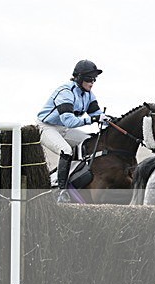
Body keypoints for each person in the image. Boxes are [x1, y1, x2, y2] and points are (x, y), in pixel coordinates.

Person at [37, 59, 105, 202]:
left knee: (89, 142)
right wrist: (92, 120)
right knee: (66, 151)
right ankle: (61, 191)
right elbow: (70, 121)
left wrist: (111, 121)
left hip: (64, 129)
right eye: (89, 79)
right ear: (79, 78)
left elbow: (97, 115)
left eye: (94, 79)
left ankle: (75, 181)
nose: (92, 83)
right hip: (47, 127)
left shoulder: (88, 95)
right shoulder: (66, 92)